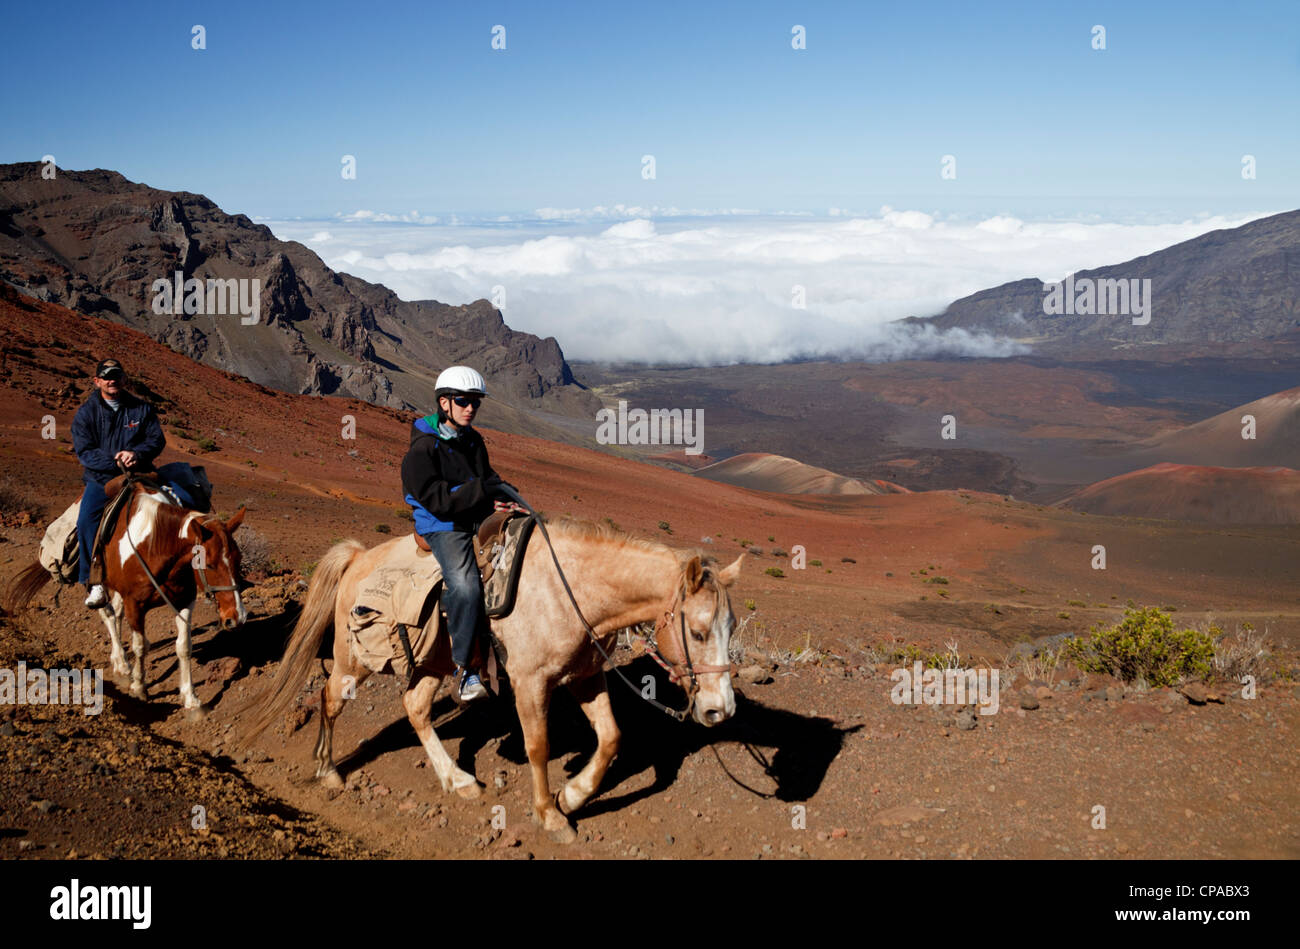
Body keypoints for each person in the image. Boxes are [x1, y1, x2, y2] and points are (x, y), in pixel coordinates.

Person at [400, 366, 524, 702]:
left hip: (472, 515)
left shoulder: (473, 440)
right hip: (442, 525)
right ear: (444, 403)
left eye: (475, 403)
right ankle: (465, 668)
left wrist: (510, 497)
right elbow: (437, 500)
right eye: (463, 401)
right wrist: (482, 492)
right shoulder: (422, 450)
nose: (470, 408)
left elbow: (489, 479)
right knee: (467, 586)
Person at [70, 359, 166, 608]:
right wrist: (114, 461)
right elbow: (84, 451)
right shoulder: (86, 413)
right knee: (86, 521)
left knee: (178, 506)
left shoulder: (141, 409)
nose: (112, 380)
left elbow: (156, 440)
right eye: (106, 376)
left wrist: (137, 454)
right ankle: (94, 582)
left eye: (116, 375)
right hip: (102, 479)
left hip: (140, 473)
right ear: (97, 381)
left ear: (124, 379)